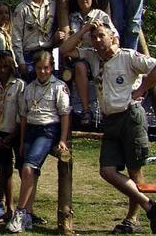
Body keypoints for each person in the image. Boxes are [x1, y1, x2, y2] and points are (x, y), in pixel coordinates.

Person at [60, 20, 156, 233]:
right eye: (94, 37)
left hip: (130, 117)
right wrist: (84, 30)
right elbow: (64, 50)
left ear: (113, 37)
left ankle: (132, 220)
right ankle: (149, 205)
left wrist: (141, 91)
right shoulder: (94, 58)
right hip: (110, 120)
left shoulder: (127, 56)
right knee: (107, 170)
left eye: (101, 35)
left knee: (134, 171)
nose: (97, 40)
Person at [6, 51, 70, 233]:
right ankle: (28, 214)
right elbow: (24, 116)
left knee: (29, 168)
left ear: (52, 68)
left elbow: (65, 114)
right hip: (30, 131)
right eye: (39, 68)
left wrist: (63, 139)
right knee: (27, 173)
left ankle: (19, 212)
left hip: (48, 130)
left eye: (46, 68)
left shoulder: (59, 87)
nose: (42, 72)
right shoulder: (29, 88)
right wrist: (22, 140)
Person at [66, 0, 116, 126]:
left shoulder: (100, 15)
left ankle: (108, 112)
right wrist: (84, 29)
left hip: (99, 52)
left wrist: (113, 48)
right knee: (80, 66)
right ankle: (86, 110)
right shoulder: (72, 17)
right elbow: (67, 44)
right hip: (80, 55)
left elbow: (114, 35)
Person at [0, 50, 25, 218]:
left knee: (23, 168)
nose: (2, 70)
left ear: (11, 67)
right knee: (5, 168)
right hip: (0, 132)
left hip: (17, 132)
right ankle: (8, 206)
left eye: (5, 67)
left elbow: (21, 114)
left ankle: (25, 207)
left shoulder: (19, 85)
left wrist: (12, 137)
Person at [12, 0, 61, 81]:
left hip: (49, 51)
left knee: (52, 85)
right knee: (31, 88)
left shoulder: (53, 5)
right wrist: (21, 61)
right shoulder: (21, 8)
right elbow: (16, 38)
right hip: (30, 55)